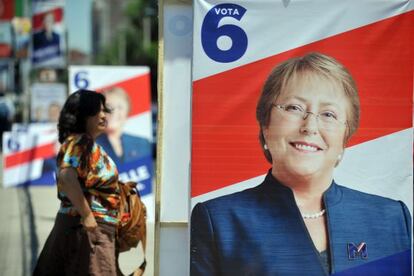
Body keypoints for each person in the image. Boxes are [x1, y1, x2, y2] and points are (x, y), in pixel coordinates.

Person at [190, 52, 412, 275]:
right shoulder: (220, 221)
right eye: (294, 108)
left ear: (345, 138)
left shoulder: (391, 218)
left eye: (329, 114)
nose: (310, 126)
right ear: (266, 125)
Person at [34, 90, 120, 275]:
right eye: (98, 111)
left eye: (105, 110)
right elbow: (66, 177)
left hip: (82, 227)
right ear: (83, 115)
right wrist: (88, 216)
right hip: (86, 229)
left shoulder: (84, 144)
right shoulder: (81, 142)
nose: (104, 115)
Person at [96, 86, 152, 165]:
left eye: (120, 107)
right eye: (108, 107)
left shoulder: (142, 144)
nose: (114, 112)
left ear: (127, 111)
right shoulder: (88, 146)